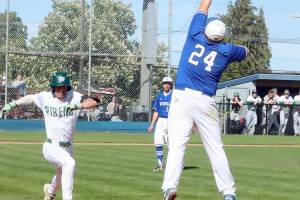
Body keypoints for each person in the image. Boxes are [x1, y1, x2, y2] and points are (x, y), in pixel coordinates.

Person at [161, 0, 249, 199]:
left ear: (205, 31)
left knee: (177, 146)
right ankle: (228, 192)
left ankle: (170, 187)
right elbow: (245, 52)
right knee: (215, 148)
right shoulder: (227, 51)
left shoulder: (194, 35)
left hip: (181, 97)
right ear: (222, 37)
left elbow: (203, 6)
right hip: (205, 102)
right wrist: (235, 47)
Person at [1, 71, 99, 200]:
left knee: (61, 175)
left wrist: (78, 106)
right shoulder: (45, 97)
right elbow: (30, 98)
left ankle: (50, 192)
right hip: (51, 146)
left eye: (64, 87)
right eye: (58, 87)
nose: (61, 89)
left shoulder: (74, 96)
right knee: (69, 164)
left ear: (68, 87)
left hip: (68, 148)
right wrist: (13, 104)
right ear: (53, 87)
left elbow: (95, 101)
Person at [148, 77, 173, 172]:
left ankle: (175, 164)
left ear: (171, 85)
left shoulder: (174, 96)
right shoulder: (159, 96)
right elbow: (156, 112)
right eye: (165, 83)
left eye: (168, 83)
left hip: (170, 121)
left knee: (171, 145)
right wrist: (152, 124)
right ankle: (160, 165)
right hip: (161, 121)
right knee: (158, 142)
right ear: (162, 85)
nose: (166, 85)